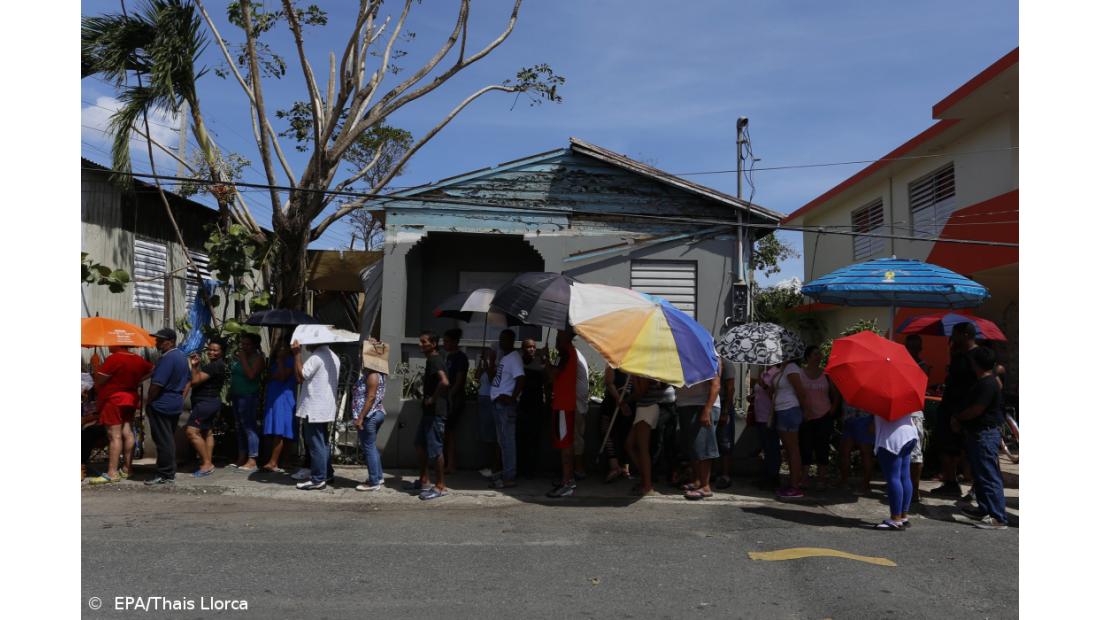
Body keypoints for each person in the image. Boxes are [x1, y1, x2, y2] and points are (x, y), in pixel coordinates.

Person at [952, 346, 1009, 530]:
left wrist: (959, 417)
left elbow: (977, 409)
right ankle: (985, 509)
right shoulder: (984, 381)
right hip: (978, 433)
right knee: (981, 476)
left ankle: (997, 517)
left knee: (989, 476)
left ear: (975, 363)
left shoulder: (988, 384)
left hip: (985, 433)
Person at [88, 346, 153, 484]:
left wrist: (95, 367)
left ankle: (112, 472)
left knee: (114, 436)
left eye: (111, 343)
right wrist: (137, 380)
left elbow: (99, 380)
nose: (108, 345)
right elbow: (153, 369)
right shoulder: (137, 358)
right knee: (127, 432)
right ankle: (127, 468)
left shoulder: (114, 358)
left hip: (114, 399)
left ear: (118, 344)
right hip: (130, 397)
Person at [931, 322, 978, 497]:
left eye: (955, 334)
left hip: (965, 411)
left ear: (965, 335)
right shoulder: (959, 355)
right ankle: (950, 483)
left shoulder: (977, 356)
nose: (952, 338)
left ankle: (977, 487)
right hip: (949, 408)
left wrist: (961, 414)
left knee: (969, 451)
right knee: (947, 448)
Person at [545, 331, 590, 498]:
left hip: (565, 404)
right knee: (565, 443)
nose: (556, 337)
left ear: (566, 337)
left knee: (566, 445)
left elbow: (552, 375)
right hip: (563, 404)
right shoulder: (566, 353)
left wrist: (545, 361)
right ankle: (567, 478)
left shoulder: (565, 352)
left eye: (559, 335)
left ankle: (568, 481)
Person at [144, 328, 191, 485]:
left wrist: (150, 401)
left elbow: (157, 384)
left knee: (163, 440)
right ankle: (168, 471)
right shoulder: (181, 357)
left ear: (170, 342)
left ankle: (165, 474)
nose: (157, 343)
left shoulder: (168, 358)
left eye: (160, 340)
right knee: (168, 438)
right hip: (174, 402)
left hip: (162, 403)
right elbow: (188, 381)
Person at [292, 339, 340, 490]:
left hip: (314, 408)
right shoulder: (333, 355)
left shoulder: (316, 357)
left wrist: (297, 354)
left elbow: (300, 376)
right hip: (324, 407)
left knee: (315, 444)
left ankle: (318, 478)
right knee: (322, 443)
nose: (306, 344)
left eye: (308, 341)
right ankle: (327, 473)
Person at [410, 331, 450, 500]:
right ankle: (424, 480)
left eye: (424, 341)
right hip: (428, 413)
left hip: (435, 413)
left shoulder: (435, 360)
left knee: (435, 449)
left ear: (433, 344)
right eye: (420, 341)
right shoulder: (432, 359)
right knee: (420, 444)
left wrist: (433, 399)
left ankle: (440, 486)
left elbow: (445, 382)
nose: (420, 344)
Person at [675, 362, 721, 500]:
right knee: (693, 448)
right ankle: (698, 481)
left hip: (701, 405)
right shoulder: (684, 353)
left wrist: (707, 410)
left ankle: (705, 487)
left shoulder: (709, 353)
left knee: (703, 447)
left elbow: (716, 384)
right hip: (686, 404)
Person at [797, 346, 839, 489]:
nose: (819, 356)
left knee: (823, 448)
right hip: (805, 416)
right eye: (815, 354)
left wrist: (832, 410)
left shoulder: (826, 374)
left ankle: (822, 478)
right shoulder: (800, 373)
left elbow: (835, 394)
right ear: (807, 357)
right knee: (805, 446)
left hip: (824, 415)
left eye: (820, 354)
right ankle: (804, 477)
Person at [488, 329, 525, 490]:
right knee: (502, 441)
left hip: (505, 406)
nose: (501, 342)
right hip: (498, 404)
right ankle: (503, 473)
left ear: (511, 341)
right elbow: (496, 379)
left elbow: (521, 379)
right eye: (500, 339)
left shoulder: (514, 358)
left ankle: (509, 477)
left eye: (504, 339)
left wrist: (511, 398)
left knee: (507, 442)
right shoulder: (505, 358)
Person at [185, 339, 227, 478]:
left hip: (205, 403)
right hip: (212, 402)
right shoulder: (219, 365)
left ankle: (207, 464)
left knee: (192, 432)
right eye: (210, 349)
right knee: (207, 432)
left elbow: (195, 380)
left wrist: (194, 366)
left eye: (215, 350)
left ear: (222, 352)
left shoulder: (214, 366)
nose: (211, 352)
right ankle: (207, 463)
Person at [873, 411, 921, 530]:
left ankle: (895, 519)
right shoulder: (904, 394)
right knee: (904, 477)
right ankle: (903, 516)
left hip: (891, 439)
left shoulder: (879, 397)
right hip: (909, 434)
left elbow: (872, 427)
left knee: (893, 478)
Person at [771, 354, 810, 498]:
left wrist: (806, 410)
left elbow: (800, 391)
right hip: (782, 410)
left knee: (793, 449)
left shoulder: (791, 368)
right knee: (789, 449)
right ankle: (792, 483)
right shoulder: (783, 369)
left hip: (789, 410)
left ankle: (795, 486)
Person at [353, 340, 389, 492]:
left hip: (369, 415)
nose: (361, 356)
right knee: (371, 446)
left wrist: (361, 417)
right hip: (375, 413)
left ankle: (374, 481)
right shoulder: (375, 372)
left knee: (368, 447)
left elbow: (371, 397)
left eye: (363, 353)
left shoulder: (373, 374)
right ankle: (378, 476)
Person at [625, 375, 666, 497]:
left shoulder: (642, 370)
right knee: (629, 445)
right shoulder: (644, 369)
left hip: (646, 408)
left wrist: (626, 399)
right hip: (644, 408)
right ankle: (645, 479)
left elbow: (640, 392)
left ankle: (647, 486)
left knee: (642, 449)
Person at [229, 333, 265, 472]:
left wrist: (243, 359)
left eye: (247, 344)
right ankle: (241, 456)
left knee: (249, 426)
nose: (244, 347)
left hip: (248, 396)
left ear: (255, 345)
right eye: (242, 344)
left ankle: (253, 459)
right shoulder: (239, 358)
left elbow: (251, 375)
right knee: (239, 427)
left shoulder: (258, 358)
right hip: (237, 395)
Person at [261, 340, 297, 473]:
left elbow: (282, 376)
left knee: (280, 429)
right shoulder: (275, 361)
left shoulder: (290, 360)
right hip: (274, 396)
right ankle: (285, 461)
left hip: (284, 397)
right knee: (282, 428)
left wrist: (281, 360)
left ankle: (273, 461)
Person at [905, 334, 931, 502]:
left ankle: (914, 489)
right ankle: (907, 486)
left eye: (915, 346)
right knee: (903, 452)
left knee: (915, 454)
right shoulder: (901, 363)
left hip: (913, 412)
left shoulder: (922, 366)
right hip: (901, 412)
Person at [747, 364, 781, 490]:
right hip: (760, 416)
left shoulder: (776, 373)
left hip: (769, 416)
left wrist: (764, 386)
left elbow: (775, 394)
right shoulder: (763, 373)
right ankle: (767, 476)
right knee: (766, 447)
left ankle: (773, 477)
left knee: (772, 447)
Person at [517, 338, 547, 478]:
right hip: (523, 403)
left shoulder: (540, 362)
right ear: (523, 348)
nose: (532, 349)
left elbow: (547, 380)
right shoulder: (518, 362)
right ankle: (521, 467)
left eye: (534, 347)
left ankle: (533, 468)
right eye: (529, 347)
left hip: (536, 404)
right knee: (522, 437)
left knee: (535, 437)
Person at [599, 367, 633, 483]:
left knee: (619, 433)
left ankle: (618, 466)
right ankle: (621, 466)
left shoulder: (615, 361)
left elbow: (609, 383)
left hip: (621, 403)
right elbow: (609, 383)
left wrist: (621, 402)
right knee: (618, 433)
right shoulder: (628, 362)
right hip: (620, 403)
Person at [442, 329, 469, 475]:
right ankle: (447, 462)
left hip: (455, 399)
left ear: (454, 342)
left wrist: (450, 396)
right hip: (448, 397)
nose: (444, 344)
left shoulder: (460, 358)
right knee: (446, 432)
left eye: (446, 341)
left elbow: (459, 381)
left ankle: (451, 464)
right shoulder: (448, 357)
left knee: (450, 432)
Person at [475, 342, 502, 479]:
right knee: (484, 433)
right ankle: (488, 464)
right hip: (483, 397)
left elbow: (493, 381)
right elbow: (476, 377)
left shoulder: (497, 366)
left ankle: (494, 465)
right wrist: (482, 366)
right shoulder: (485, 364)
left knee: (492, 434)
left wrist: (489, 367)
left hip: (491, 398)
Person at [836, 402, 875, 494]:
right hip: (849, 418)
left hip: (864, 418)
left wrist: (873, 420)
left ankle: (865, 484)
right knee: (845, 451)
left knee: (865, 453)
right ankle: (844, 481)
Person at [714, 358, 738, 490]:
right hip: (713, 404)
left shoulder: (726, 363)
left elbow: (730, 388)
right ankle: (714, 472)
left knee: (725, 441)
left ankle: (725, 475)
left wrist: (725, 411)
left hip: (723, 404)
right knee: (714, 441)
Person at [82, 374, 107, 481]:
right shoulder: (85, 399)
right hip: (88, 424)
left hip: (100, 426)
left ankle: (81, 465)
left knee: (86, 434)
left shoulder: (102, 397)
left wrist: (89, 418)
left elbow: (103, 415)